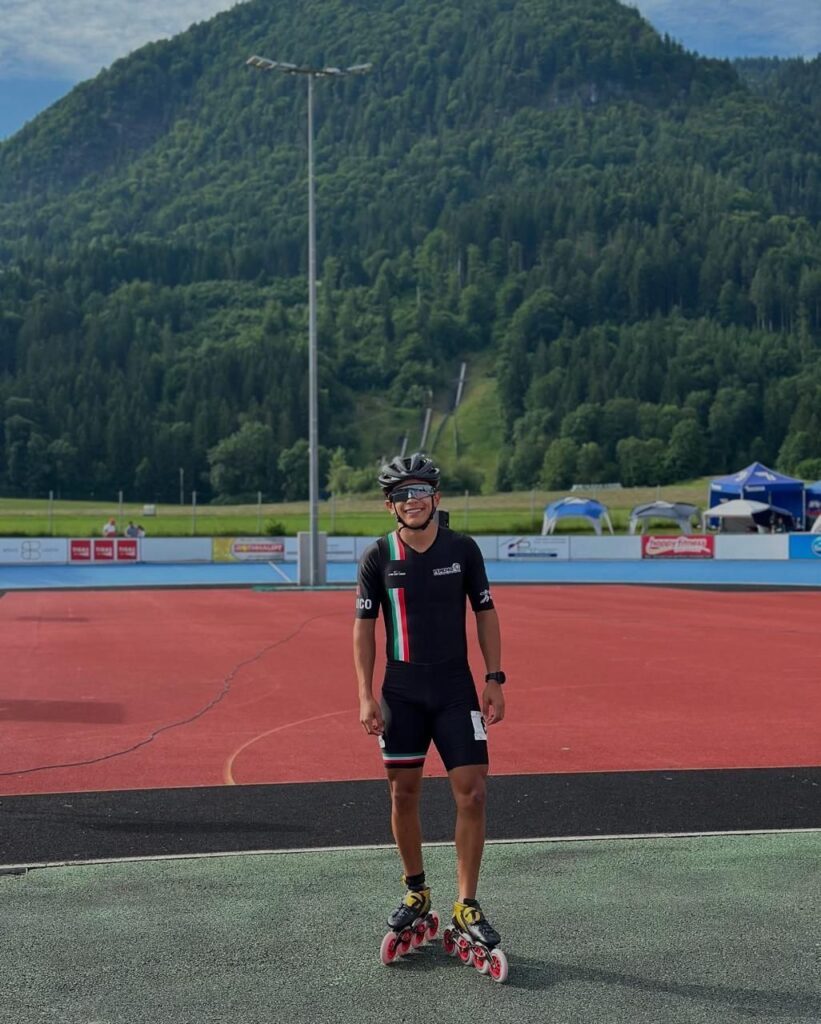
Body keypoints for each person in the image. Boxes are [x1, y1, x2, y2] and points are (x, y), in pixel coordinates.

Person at [353, 452, 507, 963]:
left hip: (455, 689)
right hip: (401, 692)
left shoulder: (463, 549)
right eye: (401, 494)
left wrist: (494, 678)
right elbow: (363, 629)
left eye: (419, 491)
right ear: (390, 505)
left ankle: (467, 905)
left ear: (436, 498)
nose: (412, 501)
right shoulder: (378, 556)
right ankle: (417, 892)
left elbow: (485, 612)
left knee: (474, 793)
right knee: (403, 794)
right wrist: (365, 694)